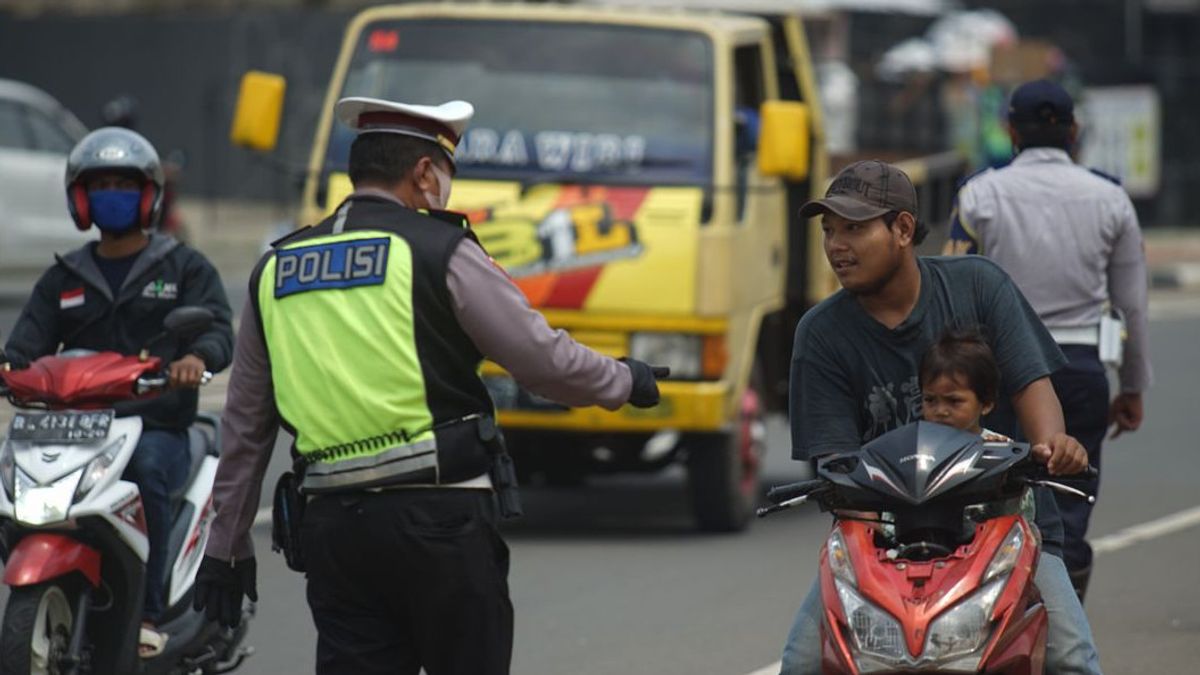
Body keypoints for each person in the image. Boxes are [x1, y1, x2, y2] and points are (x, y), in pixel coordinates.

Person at [193, 96, 665, 675]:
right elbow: (542, 359)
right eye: (445, 175)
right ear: (422, 173)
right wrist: (625, 380)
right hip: (441, 522)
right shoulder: (440, 251)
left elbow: (245, 425)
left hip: (335, 532)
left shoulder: (278, 268)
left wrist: (225, 546)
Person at [780, 160, 1101, 674]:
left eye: (855, 228)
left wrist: (1053, 446)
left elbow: (1032, 389)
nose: (837, 245)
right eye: (829, 231)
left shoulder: (979, 285)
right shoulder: (819, 333)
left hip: (1003, 527)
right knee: (802, 661)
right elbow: (834, 463)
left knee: (1072, 659)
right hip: (882, 544)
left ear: (903, 229)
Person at [1, 127, 234, 656]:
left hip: (153, 424)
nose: (112, 193)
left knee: (147, 472)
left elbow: (218, 329)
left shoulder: (183, 267)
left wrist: (195, 359)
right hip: (74, 429)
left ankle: (148, 613)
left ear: (148, 195)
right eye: (99, 183)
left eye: (123, 183)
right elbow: (23, 346)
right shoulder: (65, 276)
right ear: (80, 198)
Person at [944, 79, 1152, 600]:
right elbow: (1131, 305)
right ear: (1075, 132)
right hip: (1079, 372)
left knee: (988, 513)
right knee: (1069, 514)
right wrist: (1131, 386)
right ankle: (1063, 628)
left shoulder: (980, 194)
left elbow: (951, 291)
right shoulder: (1111, 197)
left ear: (1011, 130)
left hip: (997, 378)